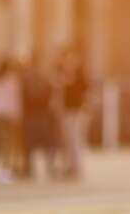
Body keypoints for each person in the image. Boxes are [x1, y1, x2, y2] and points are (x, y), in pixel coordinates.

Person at [55, 47, 89, 180]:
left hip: (76, 112)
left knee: (75, 140)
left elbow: (85, 94)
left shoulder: (80, 76)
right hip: (65, 111)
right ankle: (68, 167)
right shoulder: (61, 74)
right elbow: (59, 94)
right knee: (66, 141)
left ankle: (76, 168)